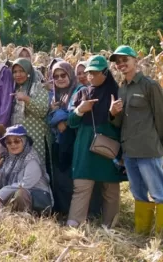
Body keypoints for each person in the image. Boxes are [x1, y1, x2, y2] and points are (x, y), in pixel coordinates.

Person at [109, 46, 163, 234]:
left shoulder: (150, 86)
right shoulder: (122, 88)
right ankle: (142, 233)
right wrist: (112, 113)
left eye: (125, 60)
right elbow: (119, 123)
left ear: (136, 61)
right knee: (138, 194)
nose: (121, 64)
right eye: (118, 62)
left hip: (148, 150)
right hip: (129, 152)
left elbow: (160, 118)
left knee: (158, 193)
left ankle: (160, 237)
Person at [66, 55, 125, 228]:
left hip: (110, 148)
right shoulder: (82, 93)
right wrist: (80, 110)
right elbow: (71, 122)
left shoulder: (118, 93)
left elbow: (123, 124)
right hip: (85, 147)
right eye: (88, 73)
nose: (90, 76)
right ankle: (73, 226)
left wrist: (113, 113)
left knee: (111, 190)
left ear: (105, 73)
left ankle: (110, 226)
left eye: (94, 73)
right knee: (81, 187)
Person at [0, 125, 53, 213]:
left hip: (38, 201)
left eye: (17, 141)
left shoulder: (31, 159)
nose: (13, 144)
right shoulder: (9, 158)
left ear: (25, 142)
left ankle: (24, 218)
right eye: (9, 142)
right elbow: (1, 183)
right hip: (13, 195)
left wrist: (3, 191)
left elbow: (26, 185)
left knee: (21, 193)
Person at [48, 61, 85, 216]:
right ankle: (63, 212)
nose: (60, 79)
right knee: (61, 179)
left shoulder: (79, 91)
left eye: (63, 75)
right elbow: (51, 119)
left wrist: (59, 116)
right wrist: (56, 115)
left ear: (70, 74)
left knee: (73, 180)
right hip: (60, 143)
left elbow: (75, 115)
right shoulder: (56, 94)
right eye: (56, 76)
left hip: (76, 141)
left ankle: (76, 213)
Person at [10, 58, 50, 164]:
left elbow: (42, 111)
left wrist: (26, 99)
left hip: (36, 138)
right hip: (18, 139)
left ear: (29, 71)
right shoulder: (14, 89)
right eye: (15, 72)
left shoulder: (39, 87)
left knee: (36, 169)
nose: (18, 74)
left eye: (22, 71)